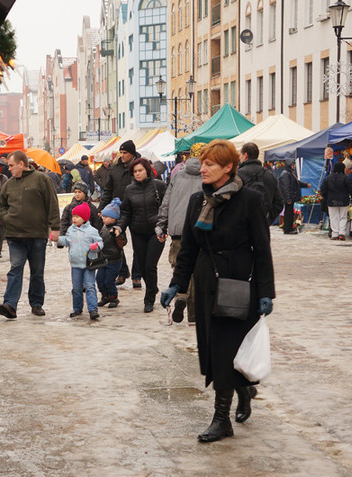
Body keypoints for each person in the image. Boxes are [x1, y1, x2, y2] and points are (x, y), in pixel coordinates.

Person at [160, 139, 275, 443]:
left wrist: (266, 291)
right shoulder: (199, 200)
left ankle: (221, 419)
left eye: (210, 164)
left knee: (225, 350)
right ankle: (244, 388)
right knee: (213, 350)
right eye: (203, 162)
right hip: (206, 283)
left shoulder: (249, 200)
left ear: (229, 167)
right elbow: (188, 248)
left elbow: (262, 248)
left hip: (237, 284)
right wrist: (177, 285)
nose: (203, 168)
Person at [0, 150, 60, 320]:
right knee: (15, 269)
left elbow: (52, 203)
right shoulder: (8, 184)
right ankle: (10, 304)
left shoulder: (41, 179)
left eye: (11, 165)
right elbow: (0, 204)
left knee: (37, 271)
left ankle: (36, 303)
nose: (8, 169)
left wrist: (55, 227)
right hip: (14, 235)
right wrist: (6, 217)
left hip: (37, 234)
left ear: (21, 164)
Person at [155, 155, 202, 323]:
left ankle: (181, 296)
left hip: (177, 231)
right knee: (197, 272)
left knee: (180, 267)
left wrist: (161, 225)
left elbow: (166, 203)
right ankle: (194, 317)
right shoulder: (207, 176)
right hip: (200, 230)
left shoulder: (176, 176)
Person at [117, 157, 167, 312]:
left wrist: (165, 226)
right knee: (143, 266)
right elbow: (126, 212)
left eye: (140, 170)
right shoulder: (129, 189)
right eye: (135, 171)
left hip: (156, 231)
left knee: (150, 265)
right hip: (137, 232)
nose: (137, 174)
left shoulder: (158, 186)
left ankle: (149, 299)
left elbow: (166, 208)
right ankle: (153, 287)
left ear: (147, 170)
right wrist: (120, 227)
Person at [100, 139, 142, 287]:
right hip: (118, 211)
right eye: (121, 152)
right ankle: (122, 271)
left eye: (125, 153)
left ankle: (137, 275)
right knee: (116, 241)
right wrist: (102, 209)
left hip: (137, 210)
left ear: (132, 153)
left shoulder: (140, 167)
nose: (122, 155)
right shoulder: (115, 168)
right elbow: (108, 191)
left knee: (138, 245)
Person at [57, 202, 103, 320]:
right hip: (75, 264)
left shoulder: (92, 230)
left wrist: (96, 246)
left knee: (90, 287)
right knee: (76, 288)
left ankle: (93, 309)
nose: (74, 219)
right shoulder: (70, 230)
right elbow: (67, 241)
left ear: (84, 218)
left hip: (89, 264)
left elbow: (100, 242)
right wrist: (57, 239)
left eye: (77, 217)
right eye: (73, 217)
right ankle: (77, 308)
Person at [237, 142, 284, 225]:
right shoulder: (269, 175)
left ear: (245, 155)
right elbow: (279, 202)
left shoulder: (238, 174)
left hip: (241, 224)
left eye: (240, 155)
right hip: (262, 222)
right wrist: (268, 220)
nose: (240, 158)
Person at [97, 198, 126, 308]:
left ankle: (114, 297)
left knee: (109, 280)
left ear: (114, 218)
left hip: (114, 260)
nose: (103, 219)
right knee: (99, 279)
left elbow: (123, 243)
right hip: (103, 259)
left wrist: (117, 236)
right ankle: (105, 296)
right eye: (103, 216)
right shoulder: (103, 227)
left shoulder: (117, 229)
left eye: (106, 217)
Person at [319, 162, 352, 241]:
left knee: (333, 217)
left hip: (331, 201)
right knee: (343, 217)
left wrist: (326, 197)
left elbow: (323, 189)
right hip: (344, 200)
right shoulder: (346, 178)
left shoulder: (328, 178)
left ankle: (335, 234)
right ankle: (341, 233)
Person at [278, 158, 310, 234]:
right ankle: (287, 229)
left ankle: (289, 228)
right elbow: (286, 187)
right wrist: (288, 198)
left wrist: (305, 185)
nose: (293, 166)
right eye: (292, 164)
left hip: (290, 197)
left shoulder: (290, 173)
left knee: (290, 213)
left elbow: (297, 183)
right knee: (288, 214)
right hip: (289, 198)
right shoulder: (286, 174)